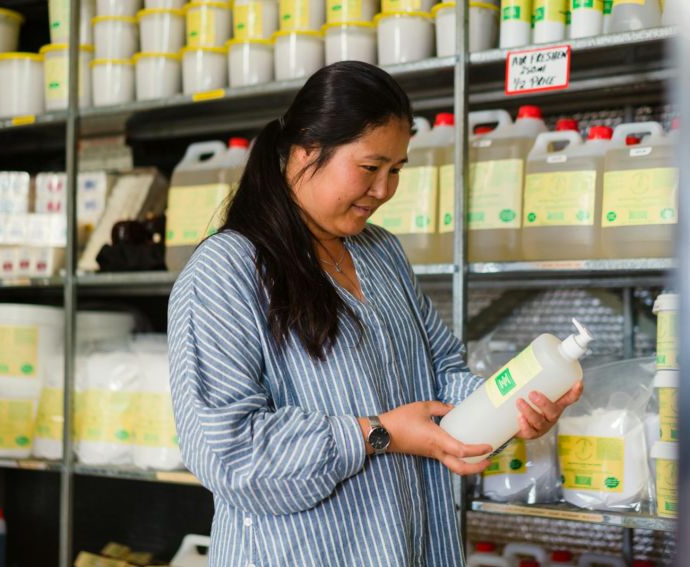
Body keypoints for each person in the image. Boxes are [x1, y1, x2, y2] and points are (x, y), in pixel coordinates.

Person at [167, 61, 583, 567]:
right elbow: (225, 451)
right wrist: (376, 434)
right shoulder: (226, 269)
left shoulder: (380, 252)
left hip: (408, 547)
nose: (384, 190)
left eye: (397, 170)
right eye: (369, 168)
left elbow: (441, 373)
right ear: (304, 151)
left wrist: (508, 411)